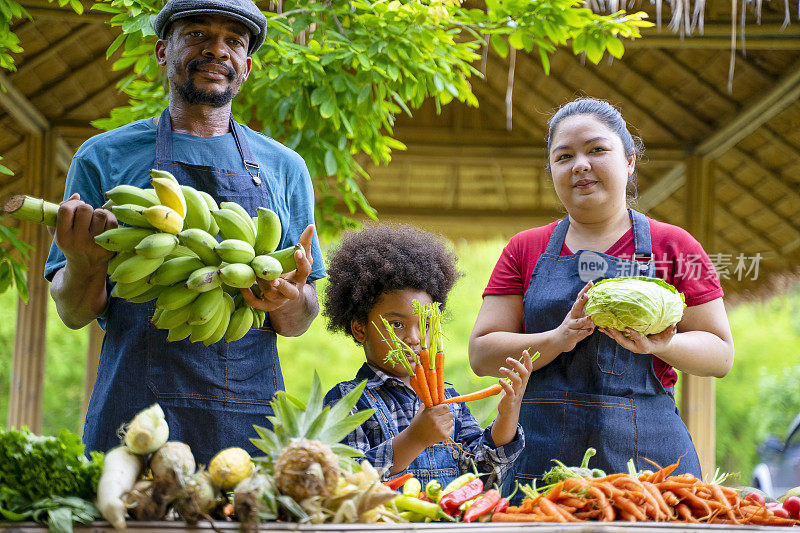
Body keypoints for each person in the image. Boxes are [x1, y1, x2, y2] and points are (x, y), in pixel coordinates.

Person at [44, 0, 326, 464]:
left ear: (247, 66)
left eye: (233, 41)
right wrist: (82, 262)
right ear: (162, 50)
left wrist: (290, 298)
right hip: (131, 418)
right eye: (197, 34)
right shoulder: (103, 157)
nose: (217, 49)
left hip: (248, 422)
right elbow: (74, 313)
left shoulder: (285, 168)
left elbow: (298, 322)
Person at [469, 98, 734, 482]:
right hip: (540, 471)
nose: (580, 164)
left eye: (596, 150)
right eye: (564, 157)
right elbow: (481, 355)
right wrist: (557, 338)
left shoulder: (674, 246)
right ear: (553, 171)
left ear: (629, 160)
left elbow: (721, 354)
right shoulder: (524, 249)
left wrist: (662, 345)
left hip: (650, 473)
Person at [321, 225, 530, 488]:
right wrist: (414, 439)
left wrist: (506, 417)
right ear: (360, 328)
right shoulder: (345, 401)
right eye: (396, 324)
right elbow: (343, 481)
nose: (414, 338)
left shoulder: (451, 400)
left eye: (425, 324)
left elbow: (481, 476)